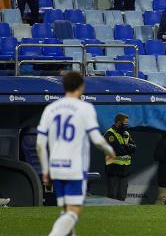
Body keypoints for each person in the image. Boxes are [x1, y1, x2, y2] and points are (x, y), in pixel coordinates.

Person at [36, 71, 115, 236]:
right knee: (74, 212)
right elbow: (97, 139)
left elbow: (39, 144)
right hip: (74, 168)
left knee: (65, 210)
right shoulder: (85, 108)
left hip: (56, 167)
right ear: (81, 86)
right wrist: (110, 150)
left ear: (63, 87)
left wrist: (45, 170)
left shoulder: (50, 109)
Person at [104, 113, 137, 201]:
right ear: (118, 122)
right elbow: (119, 150)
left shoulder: (126, 133)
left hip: (125, 170)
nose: (127, 125)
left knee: (122, 197)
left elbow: (134, 148)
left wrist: (127, 147)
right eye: (125, 123)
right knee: (112, 196)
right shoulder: (110, 134)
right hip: (113, 168)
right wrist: (127, 147)